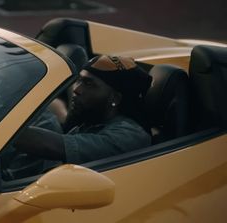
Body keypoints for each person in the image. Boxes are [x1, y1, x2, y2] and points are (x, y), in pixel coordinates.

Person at [14, 55, 153, 164]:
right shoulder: (91, 118)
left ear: (115, 98)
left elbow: (52, 147)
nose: (76, 89)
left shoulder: (129, 136)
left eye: (89, 84)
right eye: (79, 80)